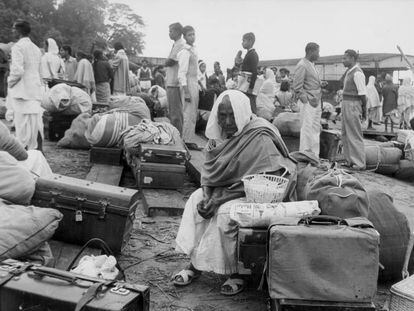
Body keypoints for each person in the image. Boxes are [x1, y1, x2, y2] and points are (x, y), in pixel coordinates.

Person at [172, 90, 297, 296]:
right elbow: (210, 173)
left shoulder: (259, 135)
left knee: (224, 213)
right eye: (222, 115)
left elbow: (272, 177)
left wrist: (220, 198)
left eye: (232, 115)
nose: (227, 121)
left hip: (258, 193)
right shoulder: (217, 137)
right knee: (195, 201)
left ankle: (236, 271)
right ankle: (194, 263)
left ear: (243, 112)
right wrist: (207, 195)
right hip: (226, 188)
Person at [7, 20, 44, 151]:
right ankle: (36, 154)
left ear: (19, 31)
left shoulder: (17, 47)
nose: (12, 31)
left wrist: (9, 83)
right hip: (34, 91)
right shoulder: (36, 49)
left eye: (13, 29)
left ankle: (25, 157)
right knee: (35, 125)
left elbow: (18, 71)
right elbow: (40, 73)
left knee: (22, 129)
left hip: (22, 92)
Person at [292, 42, 324, 156]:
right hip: (308, 102)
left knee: (315, 129)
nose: (319, 54)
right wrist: (305, 100)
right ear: (311, 51)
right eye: (318, 52)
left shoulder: (311, 64)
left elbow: (310, 81)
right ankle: (304, 155)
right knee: (306, 129)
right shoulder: (302, 65)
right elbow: (297, 86)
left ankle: (314, 155)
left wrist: (320, 84)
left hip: (316, 100)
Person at [341, 49, 367, 170]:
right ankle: (349, 160)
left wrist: (364, 110)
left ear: (352, 58)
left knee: (354, 133)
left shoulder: (357, 73)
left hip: (353, 104)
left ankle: (359, 163)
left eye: (345, 58)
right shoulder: (349, 72)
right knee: (345, 132)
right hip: (346, 103)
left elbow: (362, 94)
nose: (343, 61)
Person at [177, 25, 200, 150]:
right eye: (189, 34)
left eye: (193, 34)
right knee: (187, 112)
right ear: (184, 37)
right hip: (188, 83)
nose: (192, 37)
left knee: (192, 113)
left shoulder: (193, 50)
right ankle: (186, 140)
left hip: (194, 82)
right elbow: (182, 73)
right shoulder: (185, 52)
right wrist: (186, 91)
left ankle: (189, 138)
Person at [165, 22, 186, 134]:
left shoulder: (180, 44)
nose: (169, 33)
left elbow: (170, 61)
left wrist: (165, 62)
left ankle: (177, 136)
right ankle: (176, 135)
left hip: (174, 83)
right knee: (173, 112)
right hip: (171, 82)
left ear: (178, 32)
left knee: (175, 114)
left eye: (171, 31)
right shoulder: (176, 44)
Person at [235, 32, 259, 113]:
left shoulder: (253, 54)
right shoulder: (249, 54)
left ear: (250, 41)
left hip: (248, 86)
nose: (242, 43)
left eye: (244, 40)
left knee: (251, 106)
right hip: (244, 85)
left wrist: (251, 88)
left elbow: (254, 72)